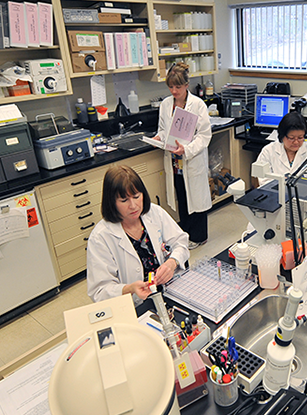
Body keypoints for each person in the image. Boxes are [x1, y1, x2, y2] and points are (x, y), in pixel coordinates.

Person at [86, 165, 189, 306]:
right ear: (112, 203)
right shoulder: (101, 237)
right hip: (134, 306)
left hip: (170, 291)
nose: (133, 206)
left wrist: (172, 262)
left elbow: (181, 242)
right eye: (124, 200)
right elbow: (99, 291)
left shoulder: (154, 213)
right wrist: (129, 289)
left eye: (136, 196)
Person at [155, 62, 212, 248]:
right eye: (170, 87)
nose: (174, 91)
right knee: (182, 195)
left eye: (178, 87)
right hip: (174, 162)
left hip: (190, 159)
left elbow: (204, 136)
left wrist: (186, 150)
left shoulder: (197, 105)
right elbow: (164, 129)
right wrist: (159, 137)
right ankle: (186, 232)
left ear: (187, 85)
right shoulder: (165, 104)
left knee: (195, 198)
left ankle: (199, 236)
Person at [255, 112, 307, 186]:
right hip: (276, 197)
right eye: (291, 138)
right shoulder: (268, 151)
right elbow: (263, 180)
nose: (296, 142)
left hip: (304, 197)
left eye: (300, 138)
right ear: (282, 136)